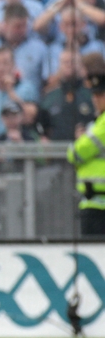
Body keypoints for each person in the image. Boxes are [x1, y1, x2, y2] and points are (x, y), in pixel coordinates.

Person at [68, 72, 105, 236]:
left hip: (98, 206)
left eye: (101, 94)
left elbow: (76, 154)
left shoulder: (102, 124)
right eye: (94, 94)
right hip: (94, 202)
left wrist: (78, 142)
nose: (96, 99)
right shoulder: (97, 122)